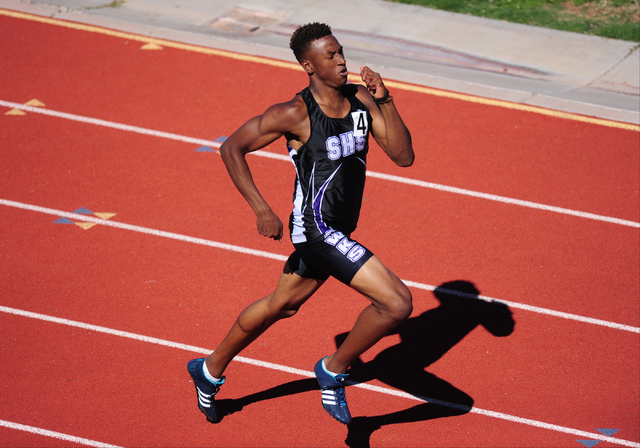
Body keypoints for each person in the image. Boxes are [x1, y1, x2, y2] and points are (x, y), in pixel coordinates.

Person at [188, 22, 414, 425]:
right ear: (308, 65)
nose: (342, 60)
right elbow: (232, 148)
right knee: (396, 303)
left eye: (341, 51)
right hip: (316, 230)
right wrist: (261, 209)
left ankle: (208, 370)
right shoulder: (294, 113)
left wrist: (386, 100)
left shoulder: (361, 99)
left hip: (340, 230)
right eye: (331, 56)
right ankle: (334, 369)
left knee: (283, 305)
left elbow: (403, 156)